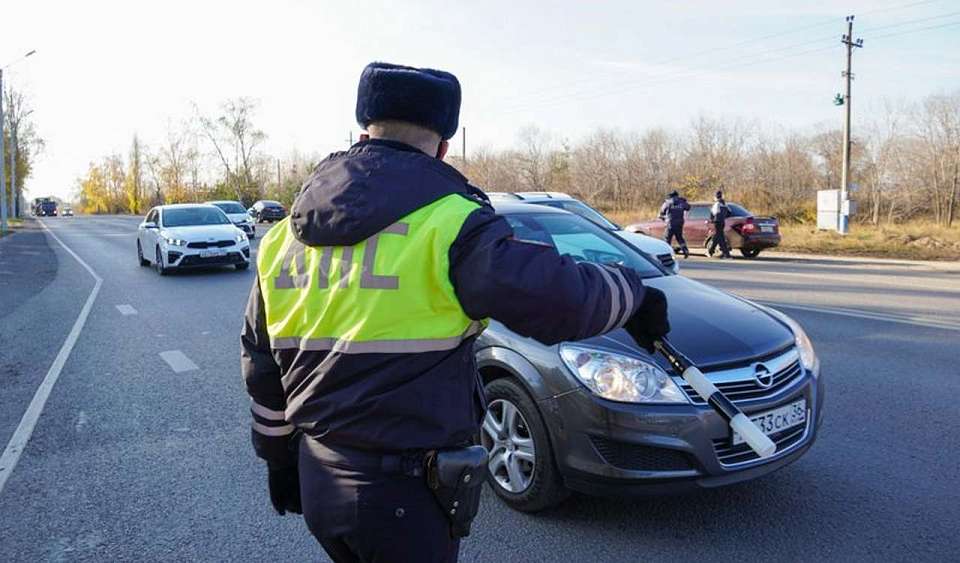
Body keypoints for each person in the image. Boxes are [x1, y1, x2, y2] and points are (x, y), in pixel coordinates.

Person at [240, 62, 670, 563]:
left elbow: (261, 364)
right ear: (444, 145)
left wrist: (277, 457)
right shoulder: (451, 222)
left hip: (318, 479)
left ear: (362, 135)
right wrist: (634, 294)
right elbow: (557, 298)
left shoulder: (281, 240)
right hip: (404, 497)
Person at [658, 190, 690, 258]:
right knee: (680, 238)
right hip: (679, 223)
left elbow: (661, 213)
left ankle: (666, 253)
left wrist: (664, 218)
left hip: (670, 223)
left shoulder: (667, 203)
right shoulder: (681, 202)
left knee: (667, 239)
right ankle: (685, 250)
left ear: (670, 196)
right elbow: (688, 208)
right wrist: (684, 201)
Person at [709, 190, 732, 259]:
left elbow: (713, 213)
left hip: (717, 222)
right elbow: (729, 213)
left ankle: (726, 254)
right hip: (722, 222)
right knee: (718, 236)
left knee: (720, 238)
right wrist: (724, 217)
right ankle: (711, 251)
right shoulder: (725, 204)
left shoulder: (717, 204)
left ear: (716, 197)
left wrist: (712, 220)